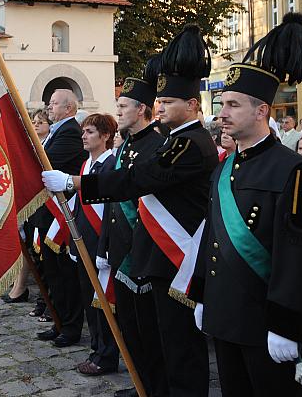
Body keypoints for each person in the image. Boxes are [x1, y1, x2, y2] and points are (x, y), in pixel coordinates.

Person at [48, 24, 217, 396]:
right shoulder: (178, 139)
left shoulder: (191, 143)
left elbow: (143, 178)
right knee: (158, 342)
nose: (160, 107)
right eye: (159, 101)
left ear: (191, 104)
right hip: (154, 256)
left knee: (180, 350)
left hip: (177, 260)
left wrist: (79, 184)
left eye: (168, 102)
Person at [190, 12, 302, 397]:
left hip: (266, 322)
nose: (221, 113)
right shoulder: (225, 166)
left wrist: (286, 324)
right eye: (221, 103)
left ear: (262, 110)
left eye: (232, 105)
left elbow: (299, 255)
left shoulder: (295, 171)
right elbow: (211, 236)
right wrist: (202, 297)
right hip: (225, 315)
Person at [97, 64, 167, 397]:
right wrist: (105, 248)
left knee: (148, 332)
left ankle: (153, 388)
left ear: (141, 109)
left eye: (123, 107)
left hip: (143, 252)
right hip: (121, 249)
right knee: (130, 329)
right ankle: (140, 384)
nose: (118, 112)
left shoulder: (156, 145)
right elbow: (113, 203)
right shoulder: (127, 145)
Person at [33, 89, 88, 348]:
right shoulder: (57, 131)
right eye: (50, 103)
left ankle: (71, 326)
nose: (50, 107)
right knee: (53, 272)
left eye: (54, 103)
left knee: (65, 274)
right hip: (49, 212)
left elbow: (47, 163)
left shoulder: (70, 133)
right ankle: (59, 321)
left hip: (62, 213)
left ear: (68, 108)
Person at [69, 113, 119, 376]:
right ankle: (96, 348)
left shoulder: (111, 166)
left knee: (103, 303)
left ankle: (107, 355)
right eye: (83, 132)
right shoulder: (86, 165)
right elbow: (79, 206)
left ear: (106, 136)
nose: (84, 137)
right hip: (84, 242)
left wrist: (105, 248)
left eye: (89, 132)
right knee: (90, 301)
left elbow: (111, 212)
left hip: (101, 244)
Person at [4, 109, 51, 306]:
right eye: (34, 121)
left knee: (36, 250)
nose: (36, 124)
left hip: (42, 206)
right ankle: (18, 284)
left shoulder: (50, 143)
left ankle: (24, 288)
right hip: (29, 205)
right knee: (25, 246)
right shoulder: (35, 144)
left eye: (41, 121)